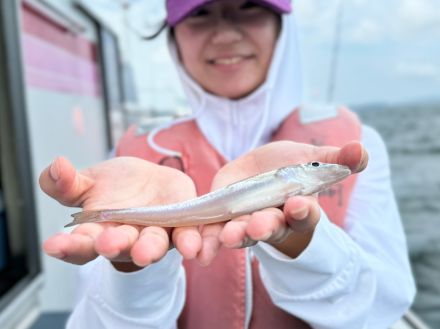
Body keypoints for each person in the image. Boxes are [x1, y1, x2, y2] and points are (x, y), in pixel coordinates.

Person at [39, 0, 415, 328]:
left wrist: (305, 247)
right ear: (173, 36)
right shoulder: (132, 154)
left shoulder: (354, 140)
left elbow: (382, 310)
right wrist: (133, 272)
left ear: (282, 26)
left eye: (249, 7)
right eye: (200, 13)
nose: (224, 33)